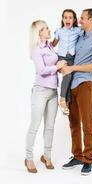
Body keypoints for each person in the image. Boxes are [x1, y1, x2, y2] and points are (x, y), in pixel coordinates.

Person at [61, 9, 92, 175]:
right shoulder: (79, 35)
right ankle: (78, 155)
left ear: (91, 20)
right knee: (73, 123)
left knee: (87, 123)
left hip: (85, 84)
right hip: (71, 84)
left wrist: (73, 67)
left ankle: (88, 159)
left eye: (82, 18)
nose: (79, 20)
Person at [25, 20, 66, 173]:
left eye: (48, 28)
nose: (49, 30)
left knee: (50, 126)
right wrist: (58, 66)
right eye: (45, 29)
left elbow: (57, 47)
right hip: (40, 91)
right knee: (35, 126)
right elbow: (41, 70)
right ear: (39, 33)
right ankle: (29, 158)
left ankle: (47, 155)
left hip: (53, 92)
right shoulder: (36, 49)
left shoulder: (50, 46)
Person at [52, 9, 83, 115]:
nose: (67, 19)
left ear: (74, 19)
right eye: (65, 17)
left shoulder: (78, 30)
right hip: (61, 58)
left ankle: (67, 102)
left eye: (70, 17)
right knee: (68, 76)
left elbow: (88, 35)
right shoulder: (59, 31)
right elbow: (53, 45)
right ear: (62, 19)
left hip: (73, 59)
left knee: (72, 79)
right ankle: (62, 100)